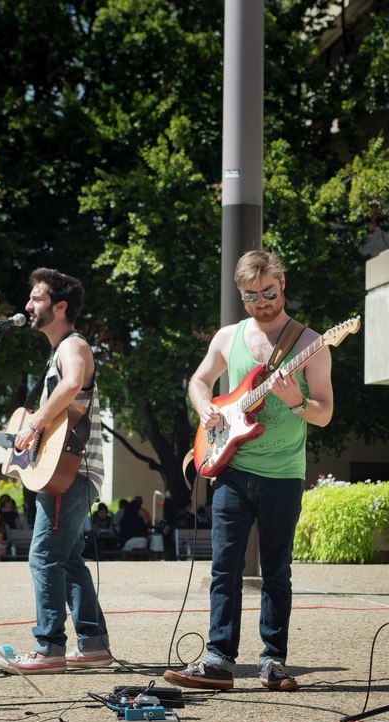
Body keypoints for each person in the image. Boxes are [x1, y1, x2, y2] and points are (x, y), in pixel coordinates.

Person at [164, 250, 333, 692]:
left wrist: (295, 400)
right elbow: (200, 381)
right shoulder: (227, 337)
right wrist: (205, 409)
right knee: (224, 568)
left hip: (283, 474)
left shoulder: (311, 343)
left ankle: (273, 661)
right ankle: (219, 660)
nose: (261, 301)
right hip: (232, 469)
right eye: (250, 296)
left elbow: (325, 413)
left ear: (283, 285)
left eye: (269, 292)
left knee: (277, 570)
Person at [0, 267, 112, 674]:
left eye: (36, 298)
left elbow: (71, 387)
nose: (28, 306)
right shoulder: (57, 353)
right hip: (68, 472)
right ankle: (93, 644)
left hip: (72, 472)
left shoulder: (73, 346)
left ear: (60, 306)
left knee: (44, 556)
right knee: (68, 560)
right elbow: (38, 423)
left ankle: (48, 648)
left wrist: (30, 426)